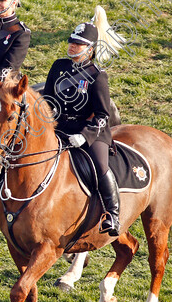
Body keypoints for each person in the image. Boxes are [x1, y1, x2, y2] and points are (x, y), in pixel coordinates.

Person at [43, 15, 122, 237]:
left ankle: (112, 214)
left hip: (92, 134)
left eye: (78, 44)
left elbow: (103, 115)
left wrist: (84, 136)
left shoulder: (97, 76)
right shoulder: (58, 66)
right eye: (71, 42)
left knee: (100, 165)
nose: (72, 46)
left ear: (90, 49)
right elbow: (48, 100)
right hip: (60, 128)